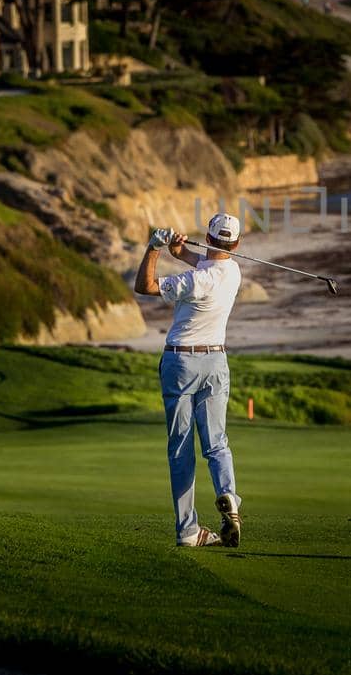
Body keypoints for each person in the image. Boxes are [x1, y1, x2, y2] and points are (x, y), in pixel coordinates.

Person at [134, 214, 245, 548]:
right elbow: (210, 262)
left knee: (181, 447)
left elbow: (145, 286)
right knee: (217, 442)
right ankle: (229, 497)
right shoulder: (234, 272)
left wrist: (154, 248)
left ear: (208, 238)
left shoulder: (193, 282)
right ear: (236, 245)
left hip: (181, 361)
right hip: (216, 361)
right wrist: (180, 252)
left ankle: (187, 530)